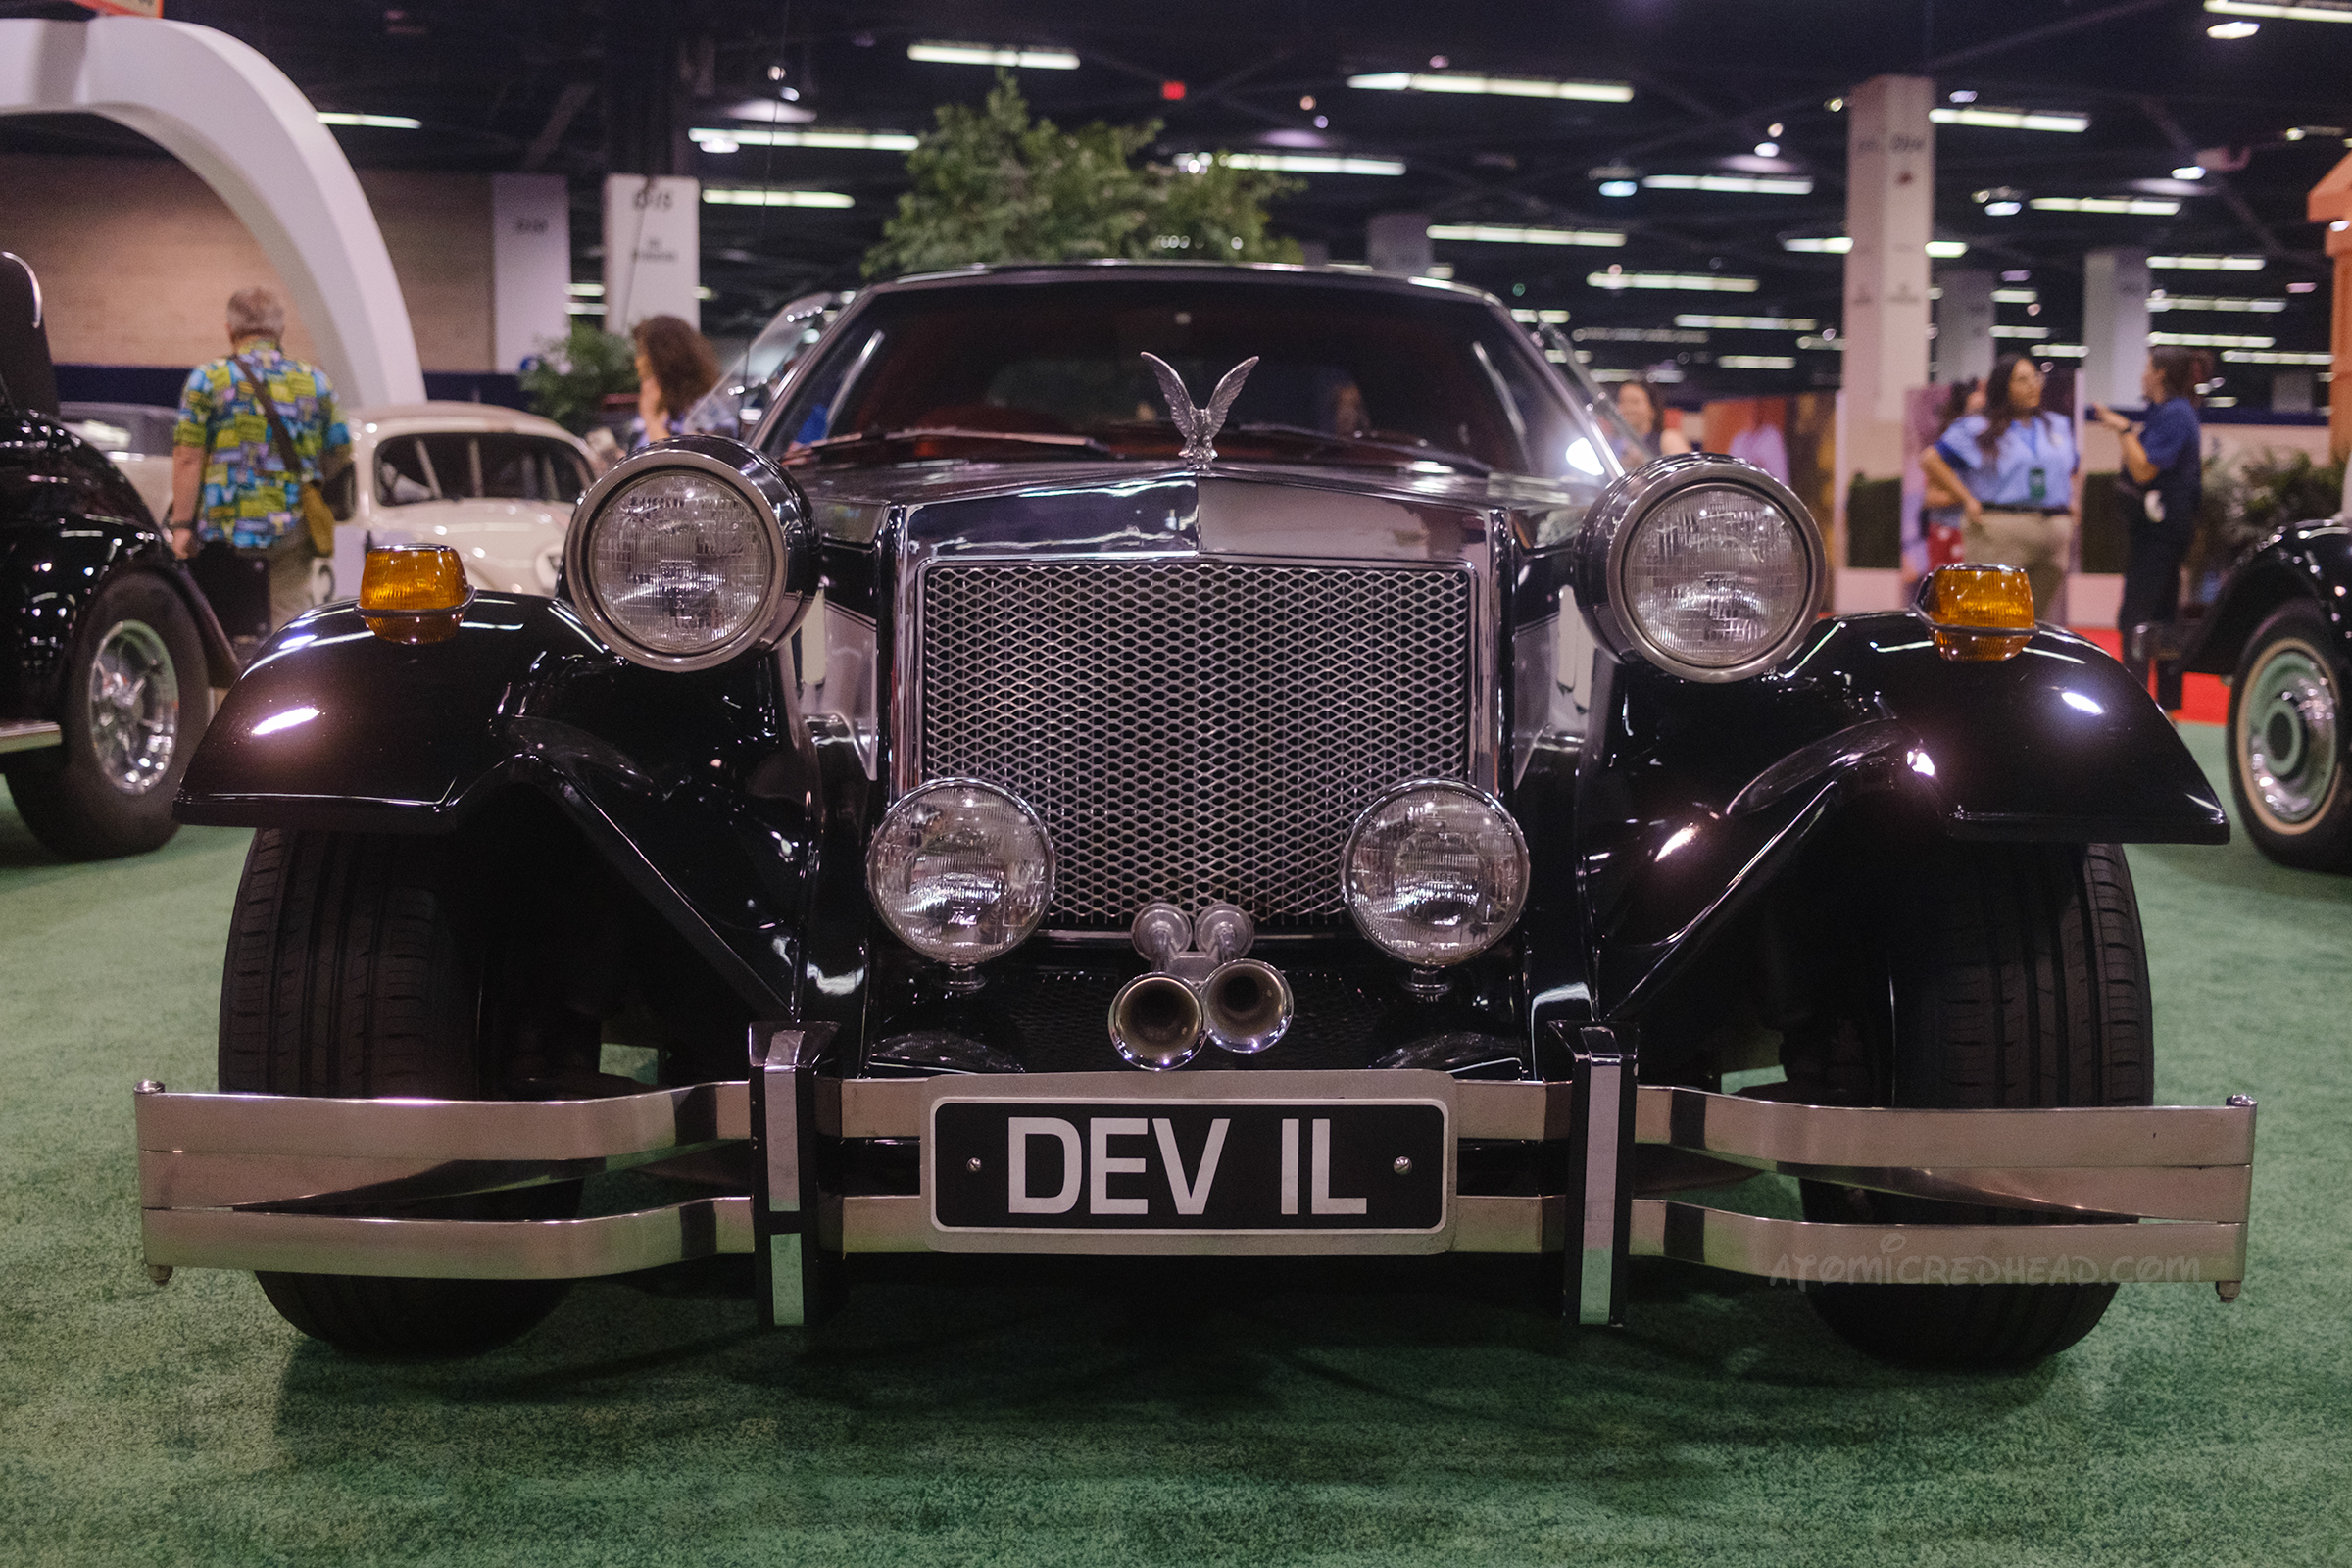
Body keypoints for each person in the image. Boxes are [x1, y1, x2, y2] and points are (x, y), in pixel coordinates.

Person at [168, 286, 350, 630]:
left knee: (228, 629)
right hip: (292, 527)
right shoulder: (315, 381)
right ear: (281, 330)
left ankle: (234, 683)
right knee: (287, 625)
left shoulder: (208, 379)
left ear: (229, 330)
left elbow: (187, 457)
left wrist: (181, 527)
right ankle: (285, 681)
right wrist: (310, 476)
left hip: (224, 533)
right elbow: (341, 447)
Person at [1919, 354, 2078, 617]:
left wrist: (2073, 503)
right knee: (1992, 616)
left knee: (2038, 621)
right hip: (1999, 529)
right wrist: (1966, 498)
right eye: (2021, 380)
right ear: (2003, 386)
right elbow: (1930, 459)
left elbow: (2072, 469)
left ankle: (2027, 660)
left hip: (2053, 529)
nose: (2032, 385)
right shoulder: (1978, 427)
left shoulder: (2056, 426)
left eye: (2035, 378)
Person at [2090, 347, 2210, 634]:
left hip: (2162, 531)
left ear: (2160, 374)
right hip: (2156, 529)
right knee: (2161, 617)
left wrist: (2124, 430)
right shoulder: (2166, 412)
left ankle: (2136, 679)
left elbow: (2144, 470)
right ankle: (2161, 678)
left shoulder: (2176, 415)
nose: (2142, 376)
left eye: (2146, 369)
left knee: (2137, 618)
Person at [628, 315, 725, 450]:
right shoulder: (662, 407)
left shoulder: (704, 412)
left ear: (663, 360)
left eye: (642, 353)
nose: (637, 362)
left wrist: (651, 418)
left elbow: (676, 464)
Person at [1612, 376, 1693, 464]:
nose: (1627, 408)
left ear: (1653, 408)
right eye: (1622, 401)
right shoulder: (1614, 444)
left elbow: (1685, 472)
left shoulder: (1668, 439)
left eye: (1634, 402)